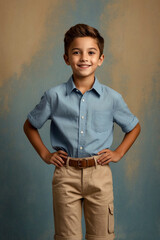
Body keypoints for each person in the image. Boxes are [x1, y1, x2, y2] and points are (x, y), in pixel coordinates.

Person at [23, 23, 141, 240]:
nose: (84, 58)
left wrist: (118, 153)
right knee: (67, 237)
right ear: (67, 58)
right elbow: (30, 125)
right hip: (65, 176)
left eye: (91, 52)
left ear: (100, 59)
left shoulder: (112, 98)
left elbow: (134, 127)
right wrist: (45, 154)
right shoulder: (54, 96)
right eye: (76, 52)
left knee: (102, 237)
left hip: (99, 174)